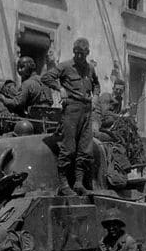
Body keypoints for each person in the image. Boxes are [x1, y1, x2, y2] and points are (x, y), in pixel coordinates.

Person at [42, 38, 101, 196]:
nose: (79, 56)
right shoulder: (65, 66)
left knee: (85, 149)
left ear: (87, 53)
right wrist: (59, 88)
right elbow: (46, 77)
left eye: (82, 54)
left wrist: (95, 97)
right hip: (71, 110)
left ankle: (79, 183)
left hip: (87, 110)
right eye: (76, 53)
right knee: (68, 148)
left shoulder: (90, 69)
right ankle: (63, 184)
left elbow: (96, 84)